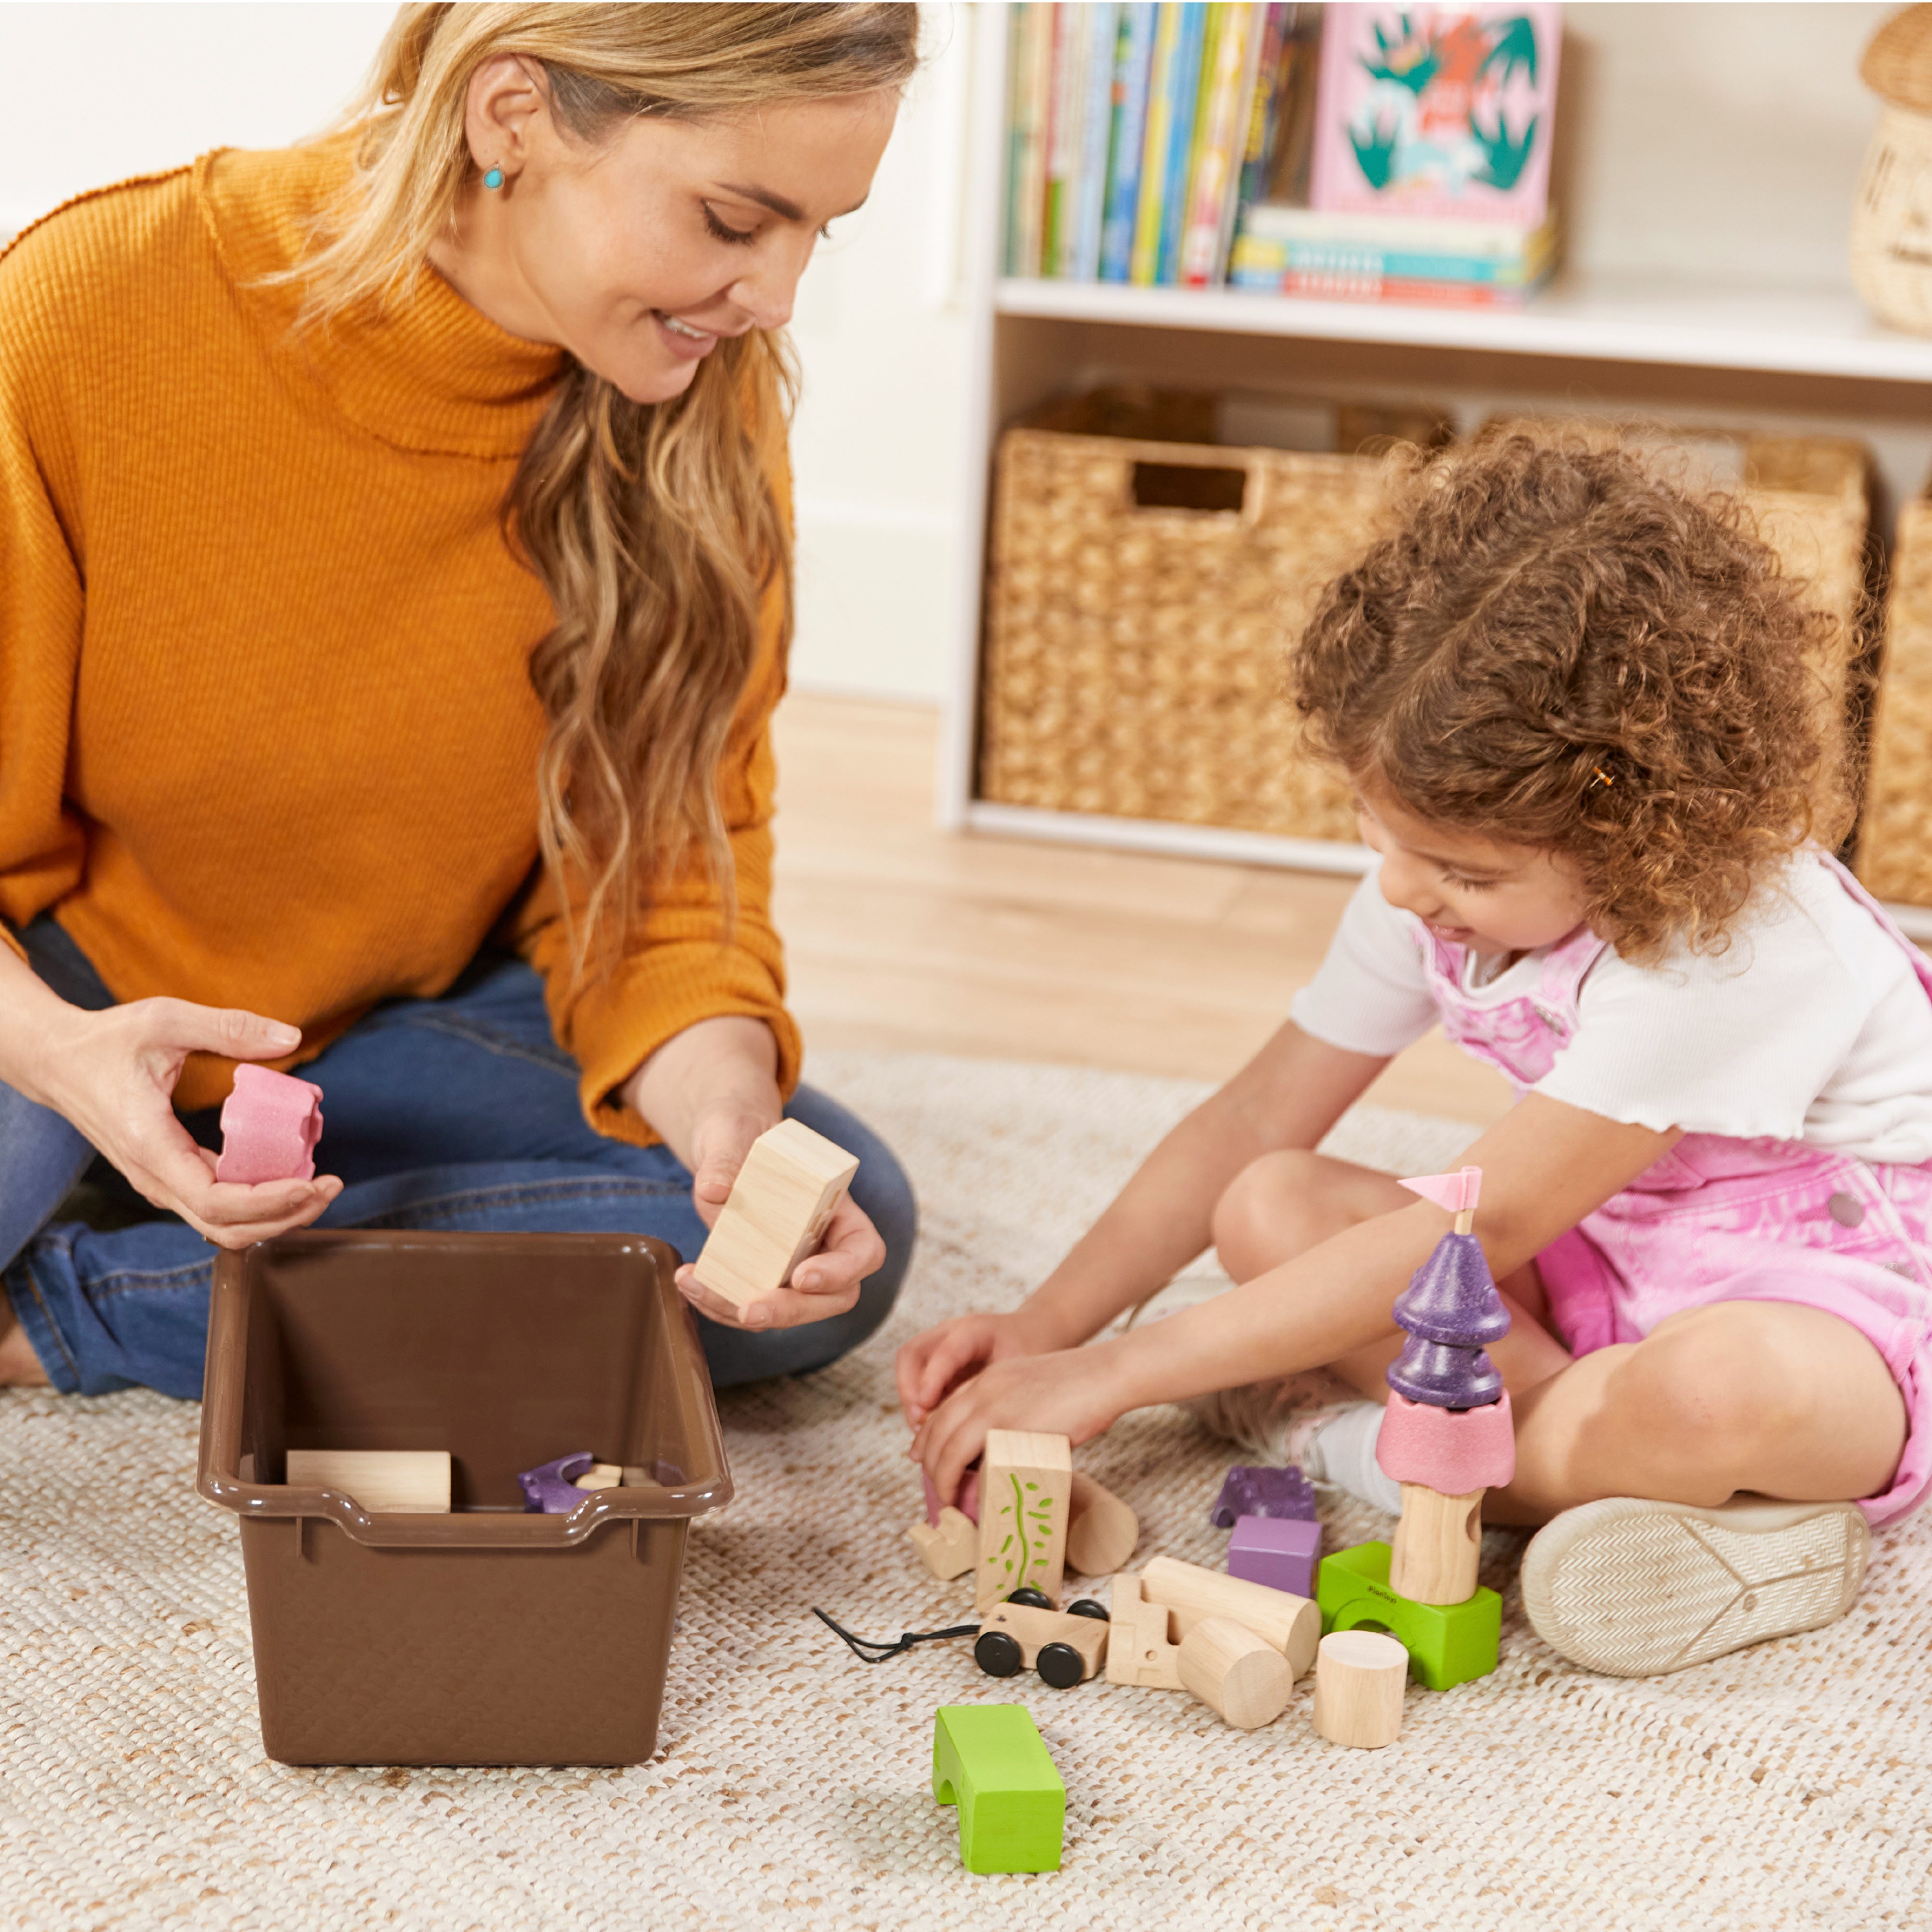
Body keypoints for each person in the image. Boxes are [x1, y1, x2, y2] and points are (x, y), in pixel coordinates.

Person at [0, 2, 922, 1402]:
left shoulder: (701, 404)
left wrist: (733, 1137)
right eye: (737, 222)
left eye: (818, 232)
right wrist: (63, 1055)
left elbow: (665, 887)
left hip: (386, 1024)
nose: (777, 297)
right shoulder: (96, 309)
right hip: (59, 997)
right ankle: (132, 1188)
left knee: (812, 1248)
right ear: (512, 118)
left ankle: (65, 1315)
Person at [900, 431, 1929, 1676]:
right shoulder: (1431, 883)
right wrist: (1054, 1328)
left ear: (1643, 835)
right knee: (1270, 1204)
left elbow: (1479, 1232)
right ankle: (1572, 1474)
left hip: (1841, 1310)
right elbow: (1256, 1115)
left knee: (1721, 1391)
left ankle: (1389, 1456)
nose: (1403, 889)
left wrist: (1127, 1370)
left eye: (1466, 872)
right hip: (1602, 1259)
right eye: (1380, 836)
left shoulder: (1739, 939)